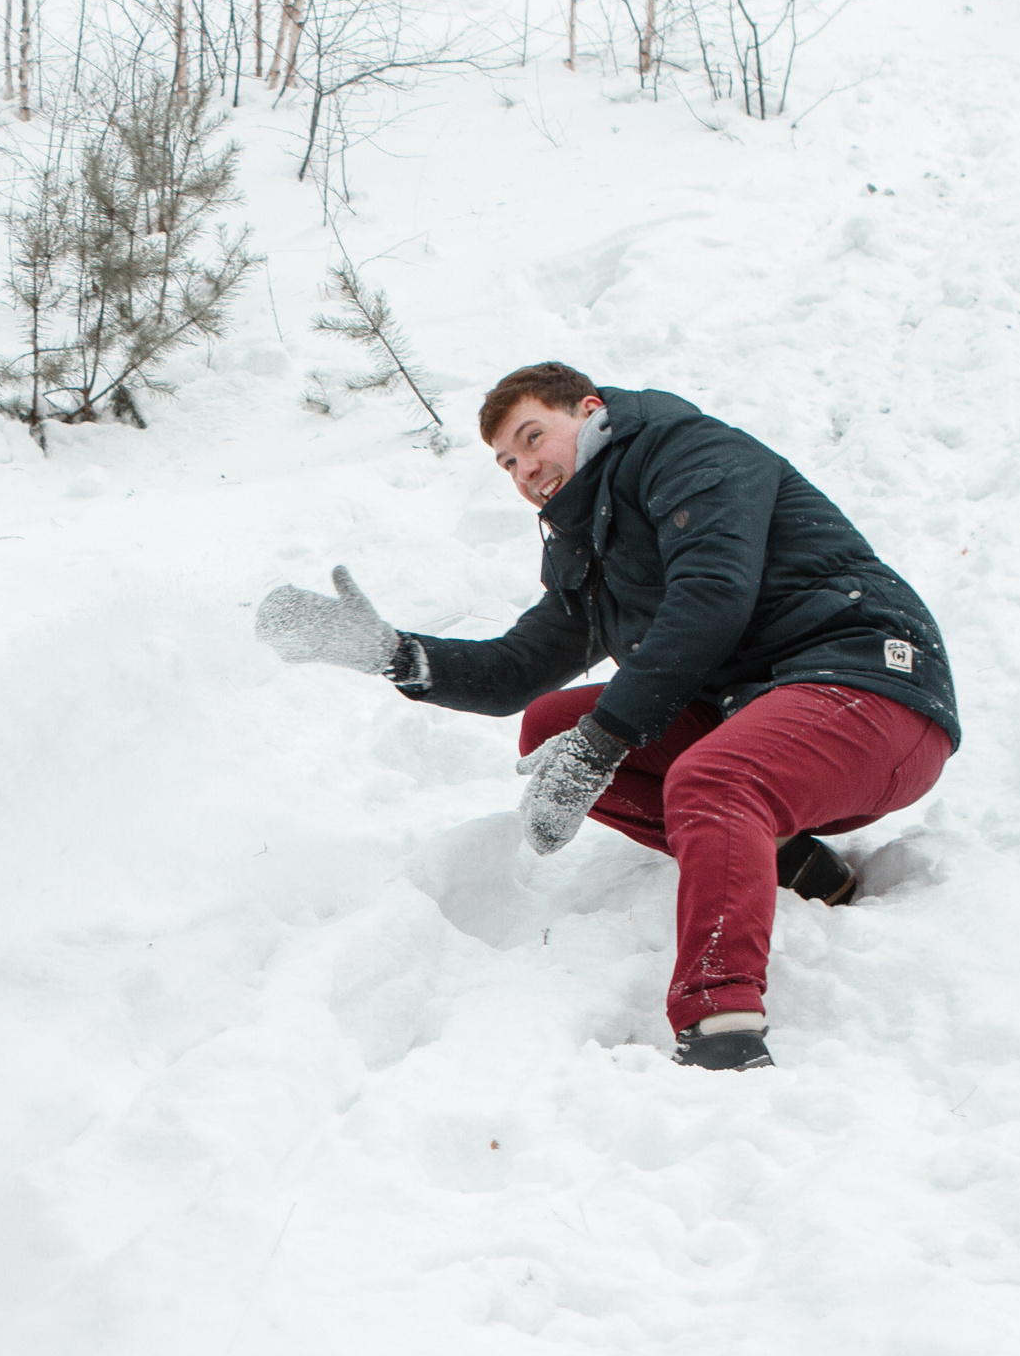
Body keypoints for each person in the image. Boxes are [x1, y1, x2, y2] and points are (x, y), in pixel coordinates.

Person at [255, 362, 958, 1070]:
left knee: (714, 776)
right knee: (550, 725)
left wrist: (604, 743)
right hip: (765, 711)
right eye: (507, 462)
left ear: (590, 412)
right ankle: (789, 862)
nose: (526, 469)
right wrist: (397, 655)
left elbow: (711, 600)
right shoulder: (587, 540)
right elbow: (517, 669)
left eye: (534, 439)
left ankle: (722, 1027)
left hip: (873, 690)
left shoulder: (688, 453)